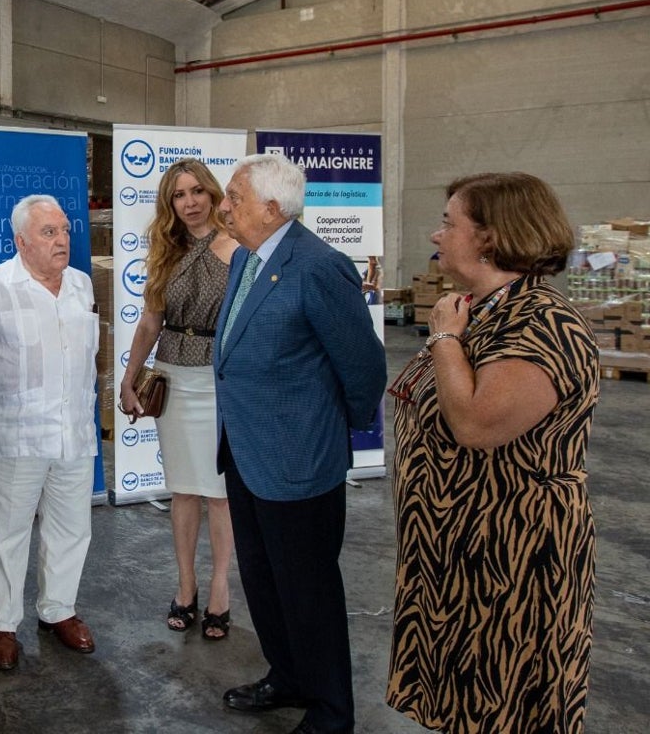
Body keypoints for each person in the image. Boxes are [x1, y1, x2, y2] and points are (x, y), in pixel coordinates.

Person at [386, 172, 598, 734]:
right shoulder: (478, 308)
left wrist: (444, 340)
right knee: (463, 700)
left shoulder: (544, 322)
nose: (436, 235)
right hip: (456, 547)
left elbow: (476, 424)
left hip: (513, 558)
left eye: (449, 223)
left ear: (488, 237)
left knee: (506, 700)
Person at [214, 153, 386, 734]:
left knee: (308, 589)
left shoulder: (318, 266)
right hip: (244, 452)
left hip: (299, 461)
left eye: (234, 197)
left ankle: (332, 712)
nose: (224, 207)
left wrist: (330, 435)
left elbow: (363, 367)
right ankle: (287, 675)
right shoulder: (246, 258)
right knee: (262, 580)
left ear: (271, 207)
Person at [0, 194, 100, 671]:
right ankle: (2, 623)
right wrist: (3, 407)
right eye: (48, 233)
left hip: (74, 433)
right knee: (10, 533)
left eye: (63, 230)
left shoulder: (81, 285)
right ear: (21, 241)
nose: (62, 240)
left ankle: (59, 610)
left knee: (72, 528)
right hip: (15, 436)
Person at [117, 159, 238, 639]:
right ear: (170, 204)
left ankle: (219, 588)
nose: (189, 203)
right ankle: (185, 586)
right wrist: (128, 379)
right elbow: (150, 322)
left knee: (220, 495)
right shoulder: (165, 251)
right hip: (172, 374)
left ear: (211, 193)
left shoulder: (237, 247)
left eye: (196, 192)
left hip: (219, 378)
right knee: (183, 489)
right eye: (178, 195)